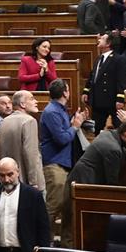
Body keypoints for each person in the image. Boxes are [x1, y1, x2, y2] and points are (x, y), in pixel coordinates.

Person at [38, 79, 88, 237]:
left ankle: (65, 245)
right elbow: (61, 139)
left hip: (64, 164)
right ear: (65, 92)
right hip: (55, 164)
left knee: (67, 207)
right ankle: (42, 241)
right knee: (54, 205)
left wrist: (73, 123)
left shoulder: (60, 110)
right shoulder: (52, 111)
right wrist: (75, 126)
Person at [81, 32, 126, 132]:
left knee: (119, 129)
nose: (99, 40)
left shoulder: (119, 59)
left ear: (108, 43)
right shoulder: (98, 58)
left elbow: (122, 80)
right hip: (98, 100)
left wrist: (120, 99)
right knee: (97, 129)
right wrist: (86, 91)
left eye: (102, 39)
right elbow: (92, 77)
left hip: (112, 100)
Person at [0, 91, 44, 192]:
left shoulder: (4, 121)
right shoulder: (29, 121)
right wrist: (34, 182)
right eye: (32, 99)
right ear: (22, 104)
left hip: (9, 181)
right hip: (27, 183)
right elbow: (31, 154)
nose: (36, 101)